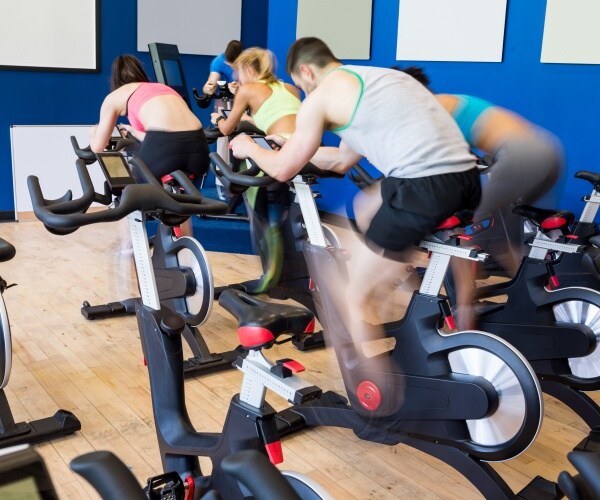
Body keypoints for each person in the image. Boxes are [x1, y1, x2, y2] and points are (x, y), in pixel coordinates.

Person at [229, 38, 481, 387]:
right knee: (367, 205)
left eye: (302, 87)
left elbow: (282, 170)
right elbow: (343, 160)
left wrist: (249, 147)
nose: (304, 95)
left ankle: (378, 397)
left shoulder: (320, 97)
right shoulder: (377, 80)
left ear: (306, 72)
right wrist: (293, 145)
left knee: (351, 295)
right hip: (467, 181)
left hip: (423, 187)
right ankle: (404, 274)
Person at [396, 66, 564, 328]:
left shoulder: (433, 111)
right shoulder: (450, 101)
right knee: (507, 241)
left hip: (519, 156)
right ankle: (542, 303)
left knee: (457, 234)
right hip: (548, 151)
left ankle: (466, 313)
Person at [211, 47, 301, 293]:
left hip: (277, 152)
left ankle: (270, 277)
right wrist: (250, 119)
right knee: (276, 209)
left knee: (263, 214)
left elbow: (227, 129)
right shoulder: (291, 88)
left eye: (239, 72)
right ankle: (283, 276)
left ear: (249, 69)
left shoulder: (248, 90)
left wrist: (218, 119)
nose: (237, 79)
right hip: (302, 149)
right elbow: (276, 115)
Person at [90, 54, 209, 182]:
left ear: (115, 79)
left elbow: (98, 147)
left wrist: (93, 132)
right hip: (200, 149)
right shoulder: (162, 88)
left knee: (136, 184)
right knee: (186, 196)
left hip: (168, 150)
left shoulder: (114, 96)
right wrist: (134, 132)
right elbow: (167, 136)